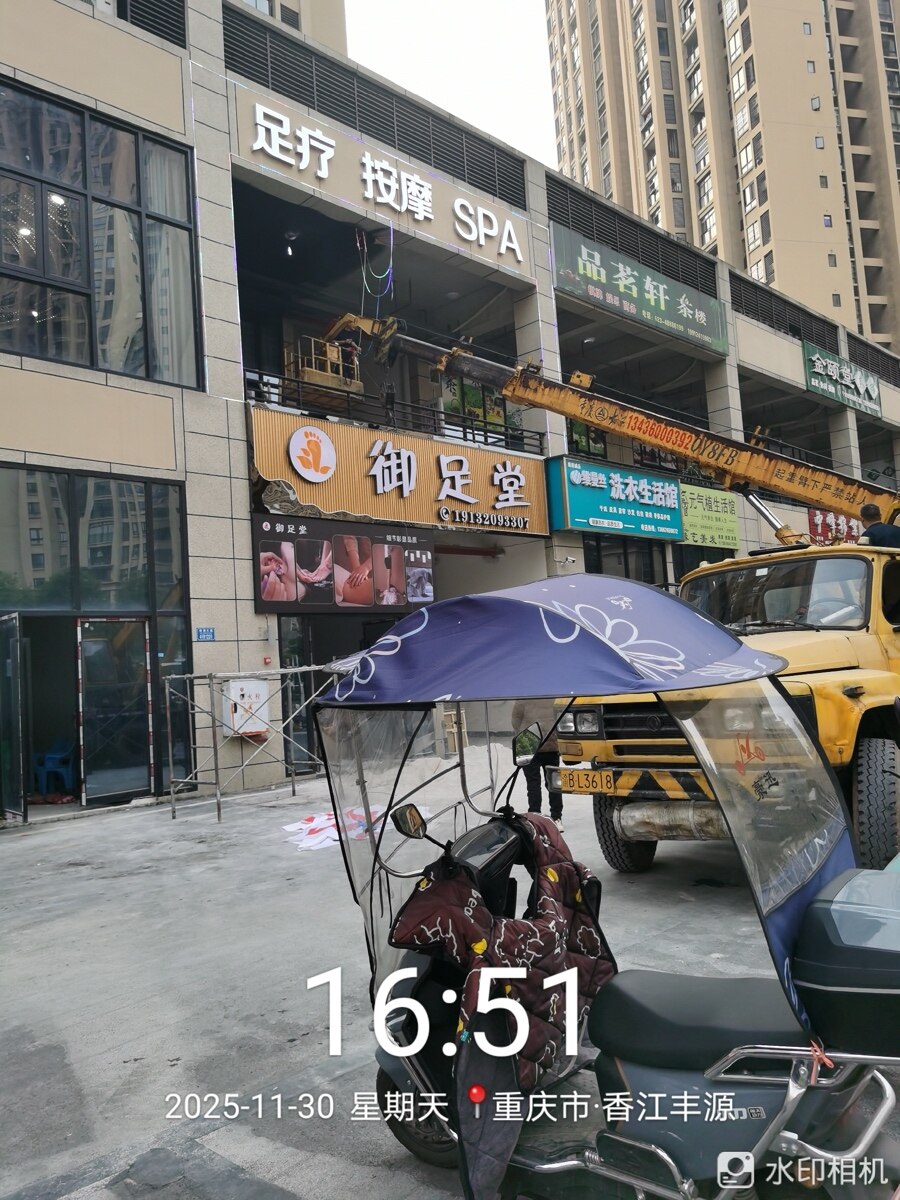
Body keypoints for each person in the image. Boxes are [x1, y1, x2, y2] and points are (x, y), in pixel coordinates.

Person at [510, 697, 564, 832]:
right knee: (554, 784)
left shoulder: (524, 696)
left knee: (533, 784)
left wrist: (525, 734)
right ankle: (556, 817)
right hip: (552, 745)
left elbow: (515, 720)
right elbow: (561, 717)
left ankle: (535, 817)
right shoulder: (554, 696)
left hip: (529, 745)